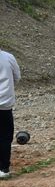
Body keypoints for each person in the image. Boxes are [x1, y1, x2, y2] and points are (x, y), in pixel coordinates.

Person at [0, 47, 21, 179]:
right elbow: (17, 77)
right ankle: (3, 168)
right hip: (4, 104)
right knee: (5, 137)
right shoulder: (8, 57)